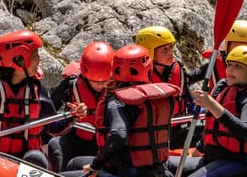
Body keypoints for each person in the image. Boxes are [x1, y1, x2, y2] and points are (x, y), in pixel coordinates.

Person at [0, 29, 87, 169]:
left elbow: (52, 127)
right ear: (18, 60)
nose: (39, 59)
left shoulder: (38, 91)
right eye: (35, 55)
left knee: (36, 157)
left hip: (23, 162)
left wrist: (72, 116)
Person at [168, 46, 247, 177]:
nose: (230, 70)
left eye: (238, 66)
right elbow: (213, 128)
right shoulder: (228, 89)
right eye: (229, 64)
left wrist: (212, 105)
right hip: (215, 158)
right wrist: (198, 149)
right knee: (164, 164)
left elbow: (246, 131)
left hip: (241, 163)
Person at [63, 44, 180, 177]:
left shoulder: (118, 99)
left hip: (123, 171)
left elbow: (119, 135)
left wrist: (95, 165)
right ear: (148, 69)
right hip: (156, 170)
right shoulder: (161, 98)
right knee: (74, 163)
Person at [48, 41, 115, 172]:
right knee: (55, 145)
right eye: (96, 82)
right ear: (85, 74)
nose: (101, 85)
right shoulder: (70, 85)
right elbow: (50, 124)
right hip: (78, 139)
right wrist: (72, 116)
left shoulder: (118, 88)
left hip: (106, 145)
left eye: (105, 81)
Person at [135, 26, 205, 148]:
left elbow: (188, 99)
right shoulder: (139, 78)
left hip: (178, 129)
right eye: (165, 49)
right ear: (150, 52)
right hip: (152, 136)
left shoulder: (177, 69)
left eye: (171, 48)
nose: (171, 53)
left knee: (207, 133)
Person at [199, 20, 247, 89]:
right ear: (227, 47)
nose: (240, 53)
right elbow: (189, 78)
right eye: (235, 47)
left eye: (245, 48)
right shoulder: (215, 63)